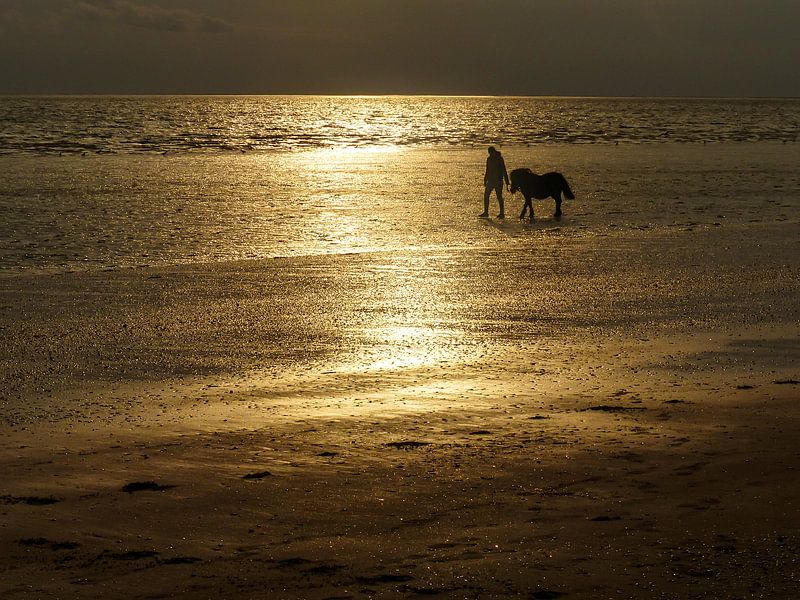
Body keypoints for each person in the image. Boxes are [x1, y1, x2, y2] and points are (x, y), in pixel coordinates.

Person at [480, 146, 510, 218]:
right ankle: (486, 212)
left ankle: (502, 213)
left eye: (491, 152)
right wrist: (485, 179)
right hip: (490, 180)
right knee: (486, 195)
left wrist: (507, 182)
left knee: (499, 196)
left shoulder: (499, 159)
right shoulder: (489, 159)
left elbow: (504, 170)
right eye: (489, 153)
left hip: (498, 181)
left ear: (493, 151)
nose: (490, 154)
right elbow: (487, 170)